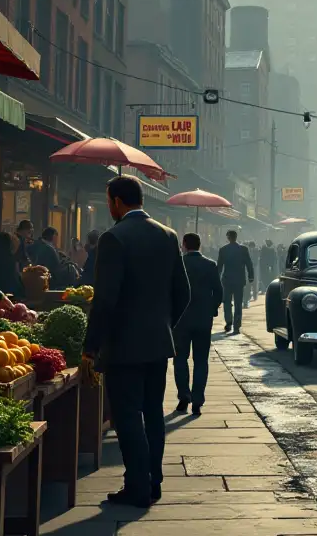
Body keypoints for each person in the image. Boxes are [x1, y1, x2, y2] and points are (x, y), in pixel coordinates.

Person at [81, 176, 191, 507]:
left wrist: (91, 346)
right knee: (153, 414)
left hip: (124, 347)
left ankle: (137, 486)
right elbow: (183, 293)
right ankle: (153, 480)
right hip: (157, 345)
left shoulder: (114, 238)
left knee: (127, 416)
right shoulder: (168, 235)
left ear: (116, 201)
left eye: (108, 201)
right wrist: (162, 325)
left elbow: (104, 301)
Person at [173, 232, 223, 416]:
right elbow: (218, 291)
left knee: (180, 359)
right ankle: (197, 401)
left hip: (181, 321)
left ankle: (183, 396)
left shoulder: (179, 264)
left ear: (184, 244)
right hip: (203, 320)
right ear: (200, 245)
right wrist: (211, 309)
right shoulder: (210, 265)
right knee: (201, 361)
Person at [216, 229, 254, 333]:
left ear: (228, 238)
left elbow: (219, 266)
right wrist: (251, 276)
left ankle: (229, 322)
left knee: (227, 302)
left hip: (227, 279)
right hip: (239, 279)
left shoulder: (223, 249)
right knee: (238, 302)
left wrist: (216, 278)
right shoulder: (243, 249)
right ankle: (237, 325)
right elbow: (249, 263)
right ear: (236, 237)